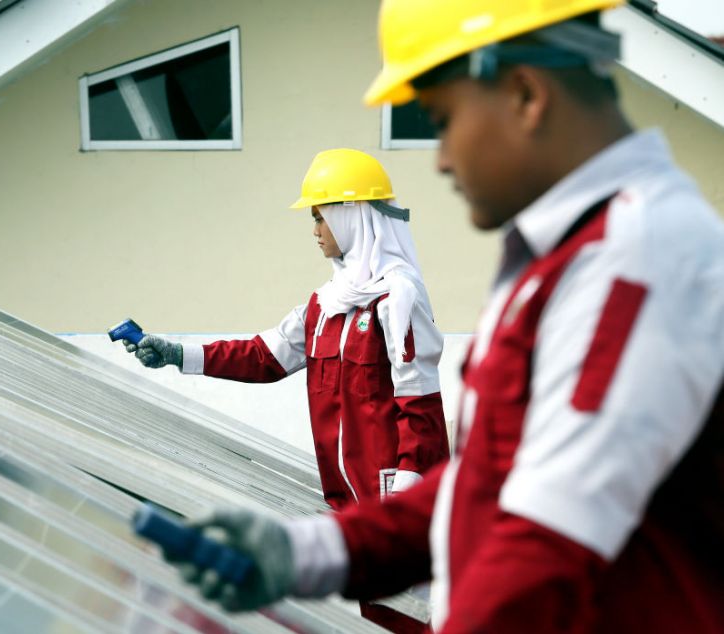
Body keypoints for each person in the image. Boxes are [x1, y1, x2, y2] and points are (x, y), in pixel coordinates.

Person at [155, 1, 724, 632]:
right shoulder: (560, 265)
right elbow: (483, 485)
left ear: (525, 95)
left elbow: (543, 547)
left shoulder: (635, 264)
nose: (442, 160)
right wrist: (305, 553)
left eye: (443, 120)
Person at [124, 148, 450, 510]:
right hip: (347, 509)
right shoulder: (325, 305)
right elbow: (264, 357)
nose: (314, 231)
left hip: (401, 509)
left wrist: (405, 499)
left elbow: (421, 407)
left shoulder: (398, 298)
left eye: (319, 217)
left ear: (349, 216)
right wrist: (178, 354)